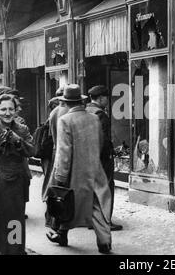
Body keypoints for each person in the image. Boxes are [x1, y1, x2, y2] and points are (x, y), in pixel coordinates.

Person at [49, 84, 112, 254]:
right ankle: (104, 242)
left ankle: (62, 234)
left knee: (68, 204)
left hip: (75, 171)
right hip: (95, 169)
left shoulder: (65, 120)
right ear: (80, 101)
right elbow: (100, 143)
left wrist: (60, 175)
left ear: (67, 103)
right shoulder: (94, 118)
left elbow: (64, 151)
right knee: (98, 204)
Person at [0, 94, 35, 255]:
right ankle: (0, 249)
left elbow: (33, 151)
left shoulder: (22, 129)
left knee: (16, 219)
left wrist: (18, 140)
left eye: (11, 109)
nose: (7, 113)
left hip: (17, 181)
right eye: (3, 109)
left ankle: (15, 250)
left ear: (16, 111)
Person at [87, 85, 123, 231]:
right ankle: (105, 221)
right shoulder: (101, 115)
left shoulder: (86, 111)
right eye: (107, 98)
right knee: (106, 188)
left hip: (87, 158)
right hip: (101, 159)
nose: (108, 101)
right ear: (101, 98)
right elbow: (102, 140)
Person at [43, 87, 68, 234]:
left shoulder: (54, 112)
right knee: (61, 189)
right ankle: (57, 222)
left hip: (55, 152)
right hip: (62, 154)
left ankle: (52, 219)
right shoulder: (66, 113)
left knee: (54, 187)